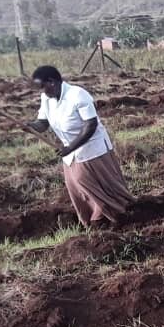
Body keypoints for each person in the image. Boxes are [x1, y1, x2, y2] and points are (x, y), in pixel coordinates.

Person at [26, 65, 135, 228]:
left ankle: (112, 215)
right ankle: (94, 220)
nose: (41, 92)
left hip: (91, 148)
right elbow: (43, 123)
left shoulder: (77, 95)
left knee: (88, 182)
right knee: (75, 187)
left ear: (52, 82)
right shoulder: (46, 98)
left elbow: (90, 125)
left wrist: (70, 148)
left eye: (42, 87)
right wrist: (30, 125)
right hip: (69, 151)